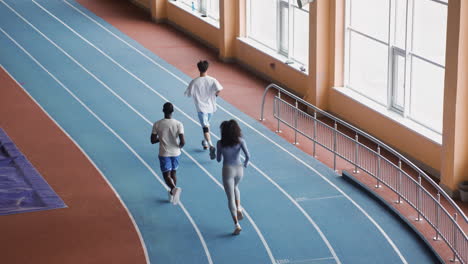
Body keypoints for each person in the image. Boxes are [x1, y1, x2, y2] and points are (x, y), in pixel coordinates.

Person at [216, 120, 250, 235]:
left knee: (230, 198)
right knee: (236, 187)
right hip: (239, 169)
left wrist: (212, 153)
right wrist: (245, 164)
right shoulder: (240, 141)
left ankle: (236, 225)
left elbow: (218, 159)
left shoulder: (220, 143)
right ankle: (239, 207)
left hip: (227, 170)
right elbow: (248, 156)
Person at [184, 60, 223, 160]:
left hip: (201, 109)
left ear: (198, 69)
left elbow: (188, 94)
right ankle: (205, 142)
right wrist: (215, 95)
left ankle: (211, 145)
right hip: (211, 107)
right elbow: (219, 89)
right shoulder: (213, 80)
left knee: (205, 127)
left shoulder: (194, 82)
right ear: (207, 68)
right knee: (207, 125)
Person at [151, 102, 185, 205]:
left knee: (166, 175)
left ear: (163, 110)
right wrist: (178, 147)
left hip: (164, 153)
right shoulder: (179, 124)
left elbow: (152, 140)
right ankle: (172, 193)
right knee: (173, 173)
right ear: (173, 111)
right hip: (176, 152)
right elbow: (183, 142)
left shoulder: (157, 124)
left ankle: (174, 189)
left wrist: (161, 138)